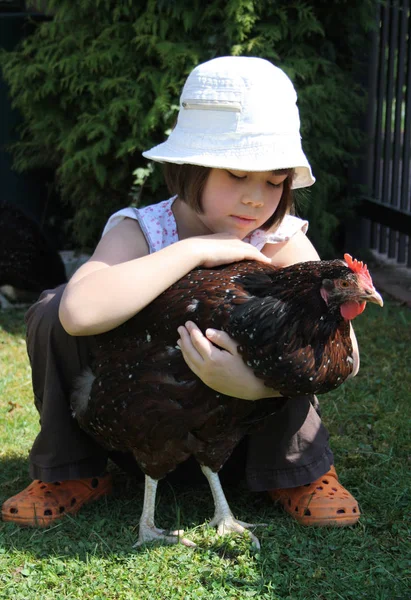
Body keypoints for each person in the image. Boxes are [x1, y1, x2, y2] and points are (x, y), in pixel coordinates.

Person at [2, 56, 360, 529]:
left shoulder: (282, 240)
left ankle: (294, 472)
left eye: (274, 183)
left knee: (303, 324)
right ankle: (70, 471)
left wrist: (250, 384)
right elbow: (78, 312)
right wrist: (194, 250)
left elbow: (346, 357)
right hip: (137, 433)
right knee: (50, 310)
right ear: (191, 167)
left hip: (243, 443)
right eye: (236, 176)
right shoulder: (143, 230)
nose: (255, 198)